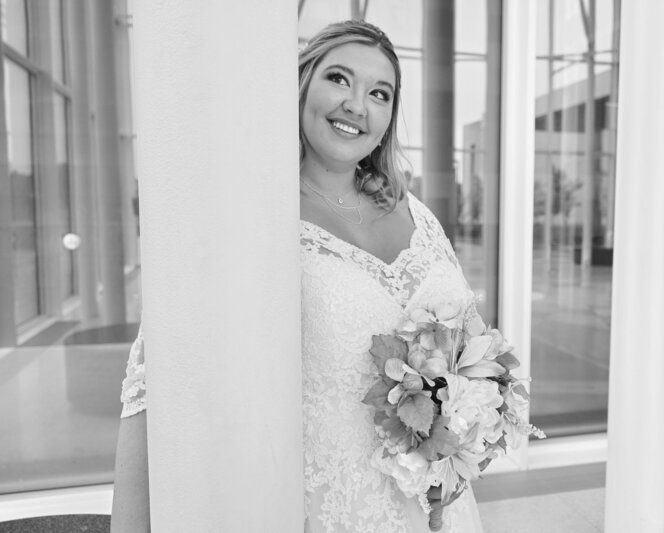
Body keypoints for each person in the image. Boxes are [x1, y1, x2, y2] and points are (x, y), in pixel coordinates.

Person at [112, 20, 484, 533]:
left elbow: (473, 354)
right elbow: (154, 381)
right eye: (338, 79)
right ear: (302, 85)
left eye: (379, 92)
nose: (357, 104)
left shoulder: (417, 214)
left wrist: (469, 439)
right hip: (330, 511)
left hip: (437, 508)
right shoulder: (254, 218)